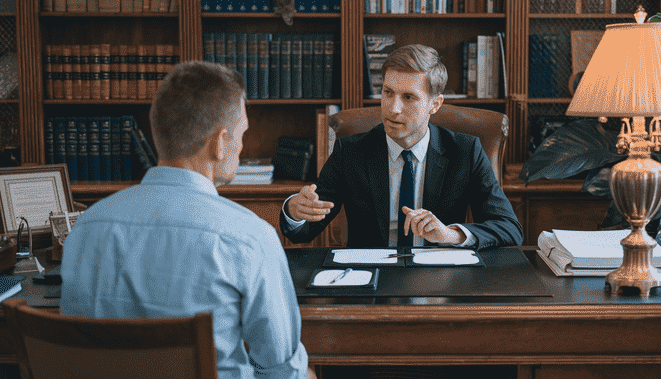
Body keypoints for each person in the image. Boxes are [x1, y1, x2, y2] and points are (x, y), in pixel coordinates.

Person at [60, 61, 315, 379]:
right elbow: (282, 373)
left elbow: (75, 356)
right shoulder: (250, 238)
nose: (243, 145)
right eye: (242, 133)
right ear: (220, 144)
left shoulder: (85, 228)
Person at [281, 44, 523, 249]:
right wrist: (294, 210)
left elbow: (509, 228)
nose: (393, 108)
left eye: (408, 97)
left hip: (439, 278)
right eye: (388, 93)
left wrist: (450, 235)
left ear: (434, 104)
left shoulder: (465, 151)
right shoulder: (350, 151)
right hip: (371, 278)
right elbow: (303, 231)